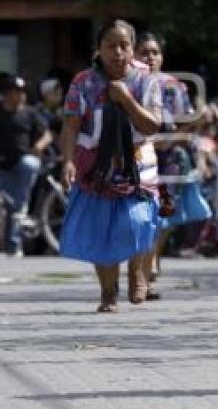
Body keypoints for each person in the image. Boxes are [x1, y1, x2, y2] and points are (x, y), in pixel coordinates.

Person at [58, 19, 162, 312]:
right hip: (95, 165)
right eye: (110, 46)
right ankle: (108, 294)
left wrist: (126, 99)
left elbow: (153, 124)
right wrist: (67, 161)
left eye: (124, 46)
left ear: (132, 49)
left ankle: (137, 269)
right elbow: (70, 125)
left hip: (138, 161)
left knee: (139, 220)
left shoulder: (146, 80)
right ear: (99, 50)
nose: (117, 52)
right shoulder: (83, 82)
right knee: (102, 230)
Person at [135, 32, 211, 299]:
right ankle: (145, 272)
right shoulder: (127, 86)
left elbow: (188, 124)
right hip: (137, 157)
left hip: (170, 161)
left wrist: (196, 151)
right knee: (142, 216)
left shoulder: (174, 86)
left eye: (154, 52)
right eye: (144, 52)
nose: (150, 57)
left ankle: (150, 264)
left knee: (163, 216)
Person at [0, 76, 52, 256]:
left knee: (18, 205)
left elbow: (47, 134)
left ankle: (14, 247)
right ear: (6, 94)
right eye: (16, 92)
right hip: (2, 165)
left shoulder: (30, 113)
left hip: (23, 163)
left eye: (22, 92)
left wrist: (38, 145)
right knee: (7, 206)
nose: (21, 96)